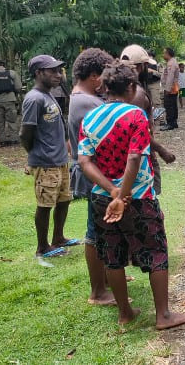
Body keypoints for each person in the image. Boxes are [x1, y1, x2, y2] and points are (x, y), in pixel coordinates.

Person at [78, 62, 185, 330]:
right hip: (139, 196)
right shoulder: (135, 115)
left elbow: (84, 161)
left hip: (102, 198)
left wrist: (112, 191)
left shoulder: (90, 118)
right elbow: (135, 159)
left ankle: (125, 312)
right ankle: (163, 315)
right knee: (156, 251)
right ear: (130, 87)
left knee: (112, 254)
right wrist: (124, 193)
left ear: (104, 87)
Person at [68, 48, 115, 305]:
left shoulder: (82, 98)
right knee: (95, 231)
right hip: (93, 173)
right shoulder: (87, 102)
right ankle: (98, 291)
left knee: (102, 227)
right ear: (95, 76)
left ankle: (108, 276)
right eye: (104, 77)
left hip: (94, 171)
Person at [20, 55, 76, 258]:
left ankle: (58, 238)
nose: (58, 74)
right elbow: (25, 133)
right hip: (45, 162)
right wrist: (35, 156)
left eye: (59, 70)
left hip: (60, 159)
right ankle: (42, 248)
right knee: (45, 205)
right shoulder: (34, 99)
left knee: (64, 200)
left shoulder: (48, 95)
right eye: (52, 71)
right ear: (38, 73)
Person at [119, 44, 176, 197]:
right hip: (140, 152)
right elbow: (138, 131)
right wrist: (162, 150)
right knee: (146, 198)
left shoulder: (122, 89)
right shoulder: (135, 94)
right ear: (140, 67)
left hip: (130, 152)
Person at [0, 58, 22, 146]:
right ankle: (14, 140)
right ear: (3, 65)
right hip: (10, 100)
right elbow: (18, 87)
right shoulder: (12, 73)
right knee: (12, 120)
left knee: (0, 122)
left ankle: (2, 141)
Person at [161, 47, 180, 131]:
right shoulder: (172, 61)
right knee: (173, 104)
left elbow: (170, 77)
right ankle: (174, 122)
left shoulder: (171, 63)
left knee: (169, 105)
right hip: (173, 86)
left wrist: (167, 89)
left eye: (164, 53)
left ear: (168, 54)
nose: (163, 55)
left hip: (171, 87)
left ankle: (170, 123)